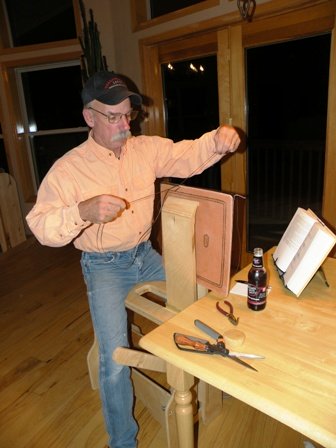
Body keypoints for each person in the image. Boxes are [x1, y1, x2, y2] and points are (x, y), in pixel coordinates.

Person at [26, 70, 241, 448]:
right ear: (89, 117)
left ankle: (201, 382)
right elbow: (41, 227)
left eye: (128, 115)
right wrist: (82, 211)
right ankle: (122, 442)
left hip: (146, 256)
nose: (124, 124)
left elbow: (187, 154)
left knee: (204, 308)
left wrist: (220, 139)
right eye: (113, 116)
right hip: (104, 266)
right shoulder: (68, 168)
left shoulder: (145, 149)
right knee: (114, 360)